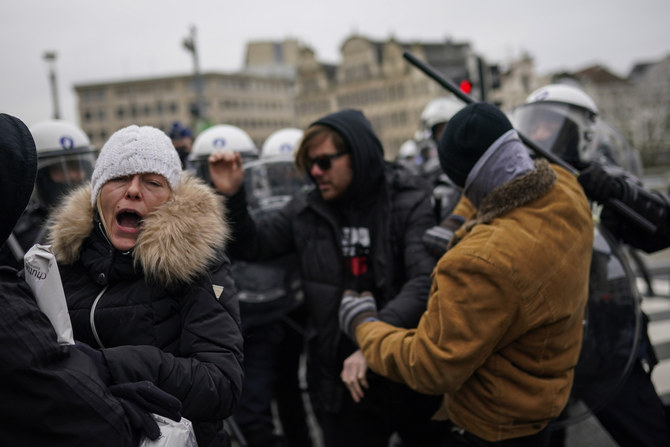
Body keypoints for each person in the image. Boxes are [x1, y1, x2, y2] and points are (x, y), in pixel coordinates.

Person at [338, 102, 594, 446]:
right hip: (545, 399)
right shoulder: (566, 189)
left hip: (493, 424)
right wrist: (457, 222)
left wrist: (365, 326)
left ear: (460, 181)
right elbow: (501, 179)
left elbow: (430, 365)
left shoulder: (480, 261)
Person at [208, 109, 445, 447]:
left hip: (406, 367)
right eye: (310, 164)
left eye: (325, 162)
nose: (316, 172)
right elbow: (254, 244)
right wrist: (232, 196)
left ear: (358, 154)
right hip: (338, 380)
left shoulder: (408, 198)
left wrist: (372, 343)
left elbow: (424, 282)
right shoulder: (307, 207)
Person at [46, 124, 245, 447]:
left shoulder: (200, 266)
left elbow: (221, 385)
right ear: (97, 195)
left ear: (172, 199)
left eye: (152, 182)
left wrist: (111, 366)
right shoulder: (60, 261)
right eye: (119, 178)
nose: (134, 190)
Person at [0, 113, 183, 446]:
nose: (70, 177)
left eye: (76, 166)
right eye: (58, 169)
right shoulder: (58, 248)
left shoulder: (192, 262)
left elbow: (220, 379)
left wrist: (106, 367)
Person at [515, 83, 670, 447]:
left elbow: (660, 231)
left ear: (579, 131)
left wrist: (618, 192)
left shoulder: (601, 180)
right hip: (546, 350)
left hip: (609, 340)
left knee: (650, 437)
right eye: (530, 124)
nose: (534, 135)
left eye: (546, 125)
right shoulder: (518, 186)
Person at [0, 119, 96, 268]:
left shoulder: (104, 223)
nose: (75, 176)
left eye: (78, 166)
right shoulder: (15, 232)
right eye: (60, 169)